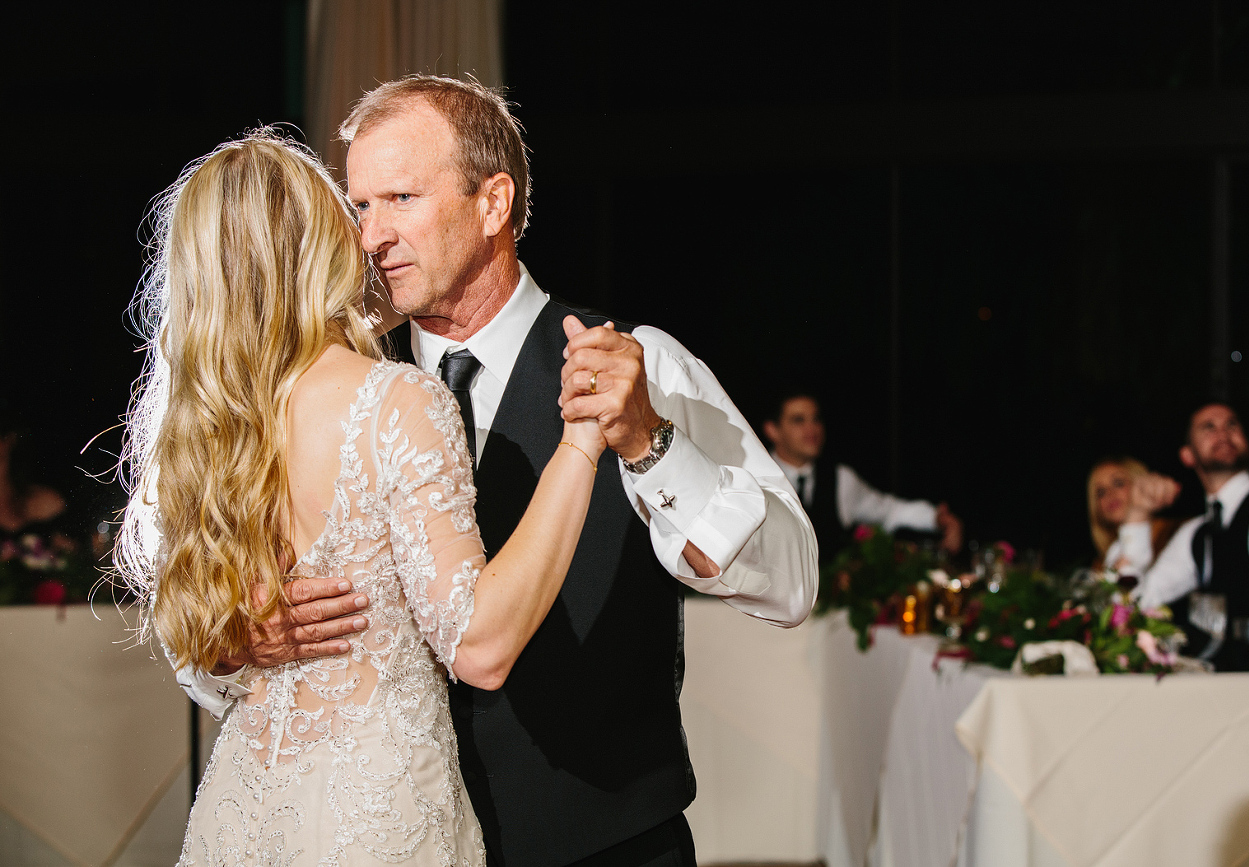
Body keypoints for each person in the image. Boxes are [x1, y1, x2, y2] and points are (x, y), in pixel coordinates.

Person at [177, 77, 818, 867]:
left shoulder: (638, 363)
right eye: (360, 207)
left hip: (605, 845)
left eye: (401, 197)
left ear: (492, 203)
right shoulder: (329, 393)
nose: (372, 237)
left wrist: (650, 443)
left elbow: (790, 583)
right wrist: (236, 644)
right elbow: (203, 639)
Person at [116, 131, 612, 864]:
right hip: (377, 820)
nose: (367, 233)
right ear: (318, 242)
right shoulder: (392, 401)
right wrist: (581, 443)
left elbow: (195, 650)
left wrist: (230, 649)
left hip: (244, 815)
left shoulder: (195, 425)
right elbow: (477, 643)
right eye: (347, 211)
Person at [1137, 403, 1249, 671]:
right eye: (1208, 427)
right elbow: (1142, 601)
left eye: (1232, 424)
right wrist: (1137, 516)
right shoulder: (1197, 532)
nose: (1223, 433)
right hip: (1231, 689)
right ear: (1187, 456)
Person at [760, 391, 963, 562]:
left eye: (816, 419)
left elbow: (889, 511)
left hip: (827, 607)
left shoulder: (840, 479)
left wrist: (936, 518)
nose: (812, 429)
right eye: (798, 420)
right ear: (772, 430)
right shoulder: (753, 477)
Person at [1086, 457, 1180, 575]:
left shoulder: (1175, 534)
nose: (1110, 493)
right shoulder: (1100, 565)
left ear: (1139, 484)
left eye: (1118, 483)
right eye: (1101, 492)